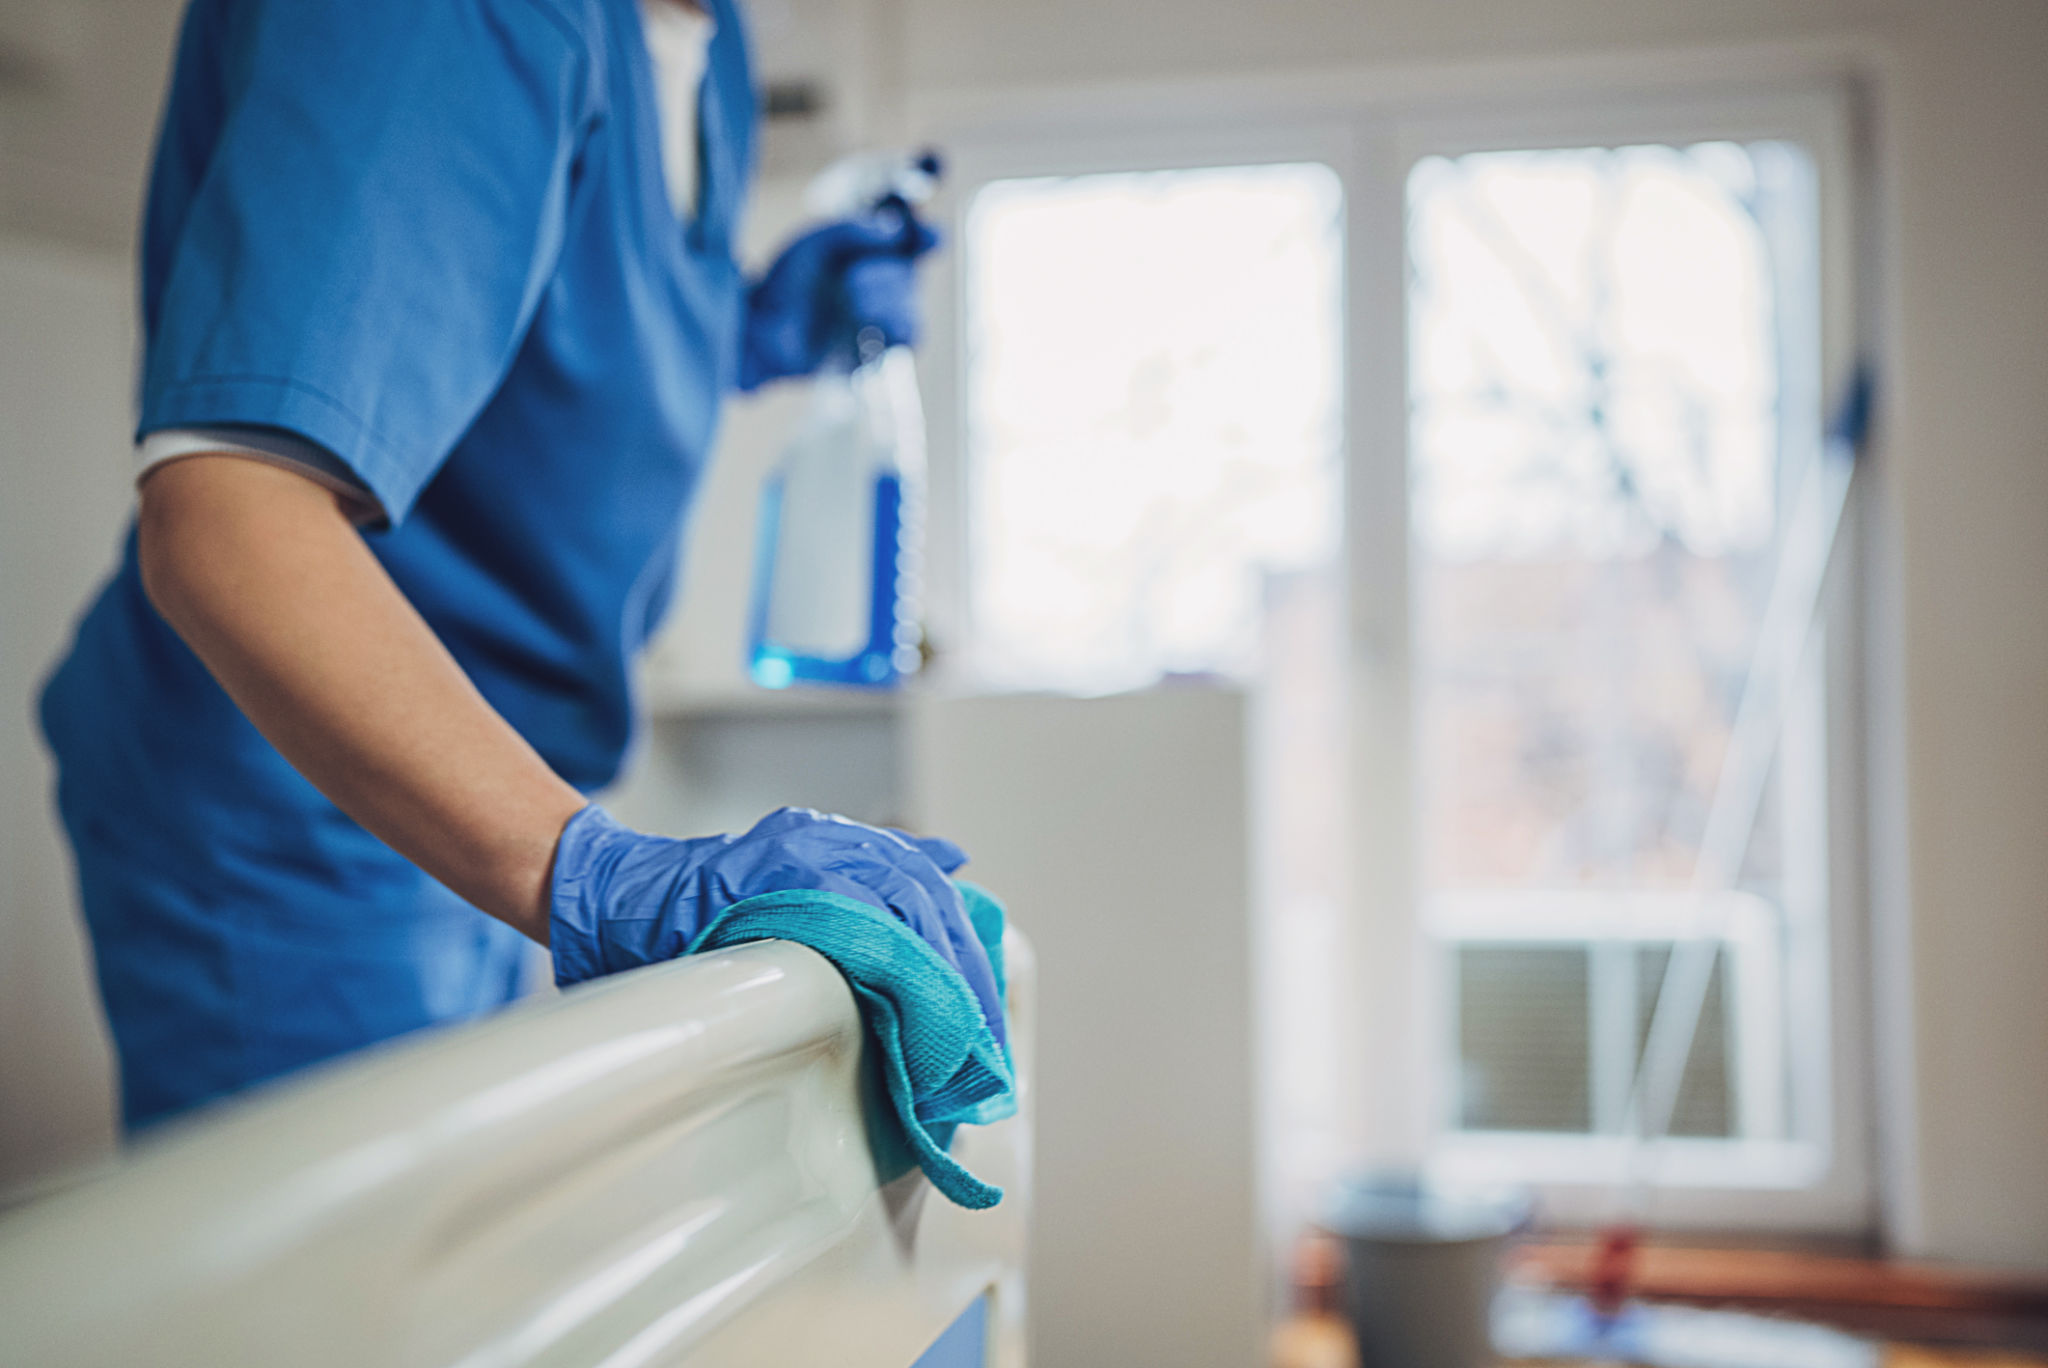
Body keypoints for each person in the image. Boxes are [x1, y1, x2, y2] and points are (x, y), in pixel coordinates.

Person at [37, 0, 999, 1130]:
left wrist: (741, 331)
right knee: (369, 1291)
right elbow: (231, 516)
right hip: (296, 791)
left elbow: (504, 333)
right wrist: (597, 877)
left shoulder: (708, 39)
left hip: (494, 782)